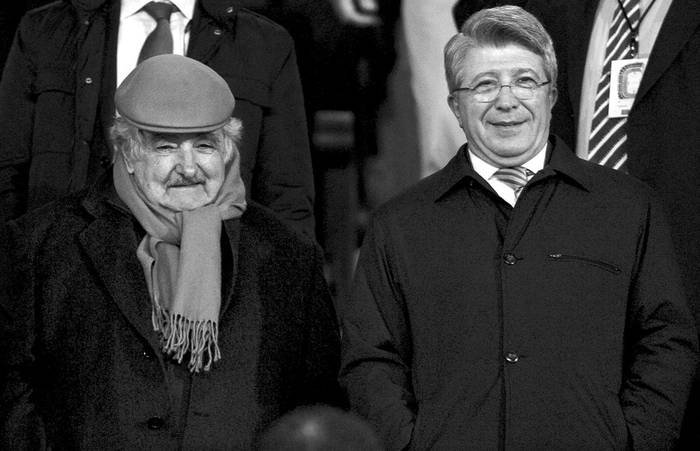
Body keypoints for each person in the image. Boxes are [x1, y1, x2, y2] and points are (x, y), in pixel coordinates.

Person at [338, 6, 698, 450]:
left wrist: (635, 442)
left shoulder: (630, 209)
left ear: (551, 96)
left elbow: (666, 343)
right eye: (484, 84)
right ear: (455, 104)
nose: (506, 101)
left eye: (525, 81)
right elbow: (370, 359)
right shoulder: (399, 223)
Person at [0, 55, 341, 449]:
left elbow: (319, 403)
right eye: (166, 147)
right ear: (127, 153)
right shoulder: (40, 245)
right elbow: (12, 392)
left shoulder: (287, 254)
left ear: (229, 150)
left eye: (206, 146)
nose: (189, 166)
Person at [0, 0, 315, 238]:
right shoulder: (45, 31)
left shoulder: (265, 44)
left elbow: (288, 194)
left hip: (220, 279)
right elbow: (7, 173)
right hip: (65, 274)